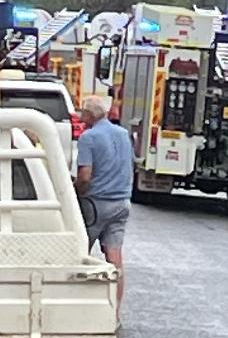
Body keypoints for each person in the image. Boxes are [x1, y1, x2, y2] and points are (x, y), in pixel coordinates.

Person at [75, 96, 133, 323]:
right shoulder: (122, 134)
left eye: (82, 112)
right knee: (115, 258)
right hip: (122, 203)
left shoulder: (88, 138)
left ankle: (78, 308)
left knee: (80, 253)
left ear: (89, 115)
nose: (80, 116)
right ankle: (114, 313)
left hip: (97, 204)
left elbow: (85, 176)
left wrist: (75, 190)